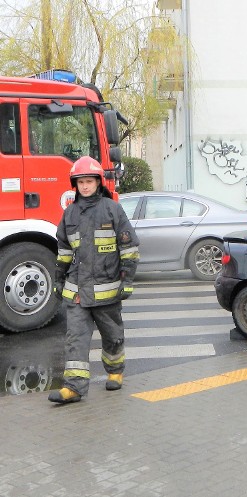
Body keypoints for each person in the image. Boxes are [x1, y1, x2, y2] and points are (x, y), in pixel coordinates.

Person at [48, 156, 140, 404]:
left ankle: (115, 371)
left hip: (108, 290)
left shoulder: (112, 209)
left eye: (89, 181)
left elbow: (128, 248)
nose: (85, 186)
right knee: (75, 339)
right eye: (81, 182)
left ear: (99, 182)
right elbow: (65, 251)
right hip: (78, 290)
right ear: (74, 185)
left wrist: (127, 280)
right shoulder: (70, 214)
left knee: (112, 336)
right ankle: (74, 388)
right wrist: (58, 279)